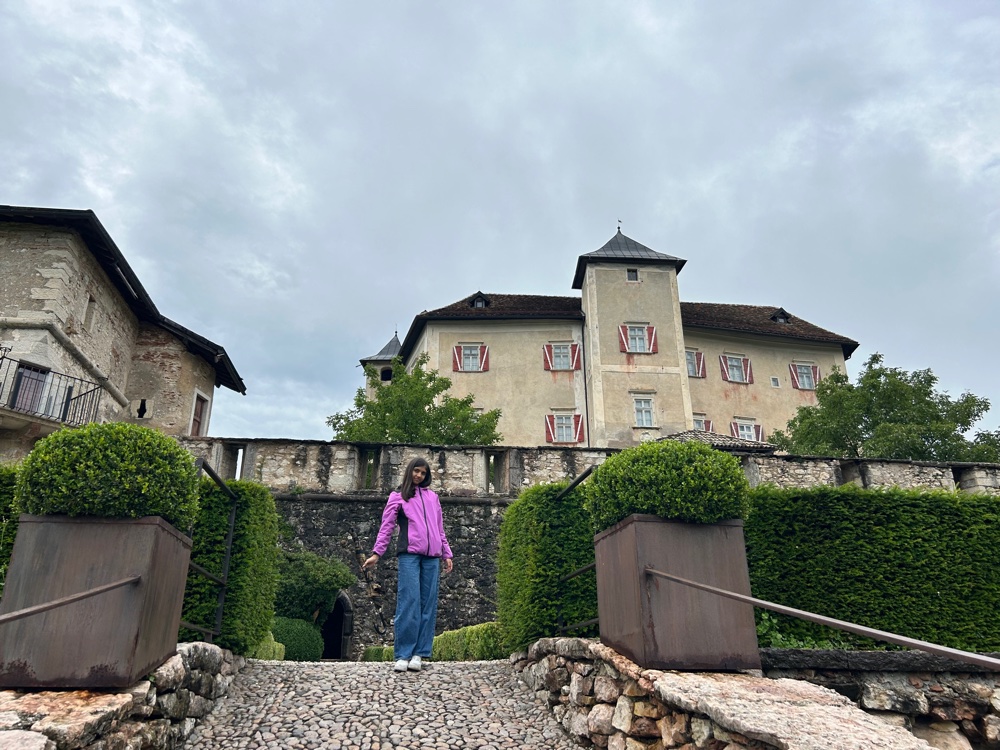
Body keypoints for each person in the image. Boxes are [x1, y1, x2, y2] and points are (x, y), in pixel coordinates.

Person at [362, 456, 453, 672]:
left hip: (432, 557)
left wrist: (446, 553)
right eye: (416, 471)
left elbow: (439, 528)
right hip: (409, 555)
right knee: (409, 602)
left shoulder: (433, 497)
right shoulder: (398, 496)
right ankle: (403, 654)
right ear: (409, 471)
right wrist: (377, 553)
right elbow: (387, 526)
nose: (419, 475)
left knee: (427, 605)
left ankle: (419, 654)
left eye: (423, 473)